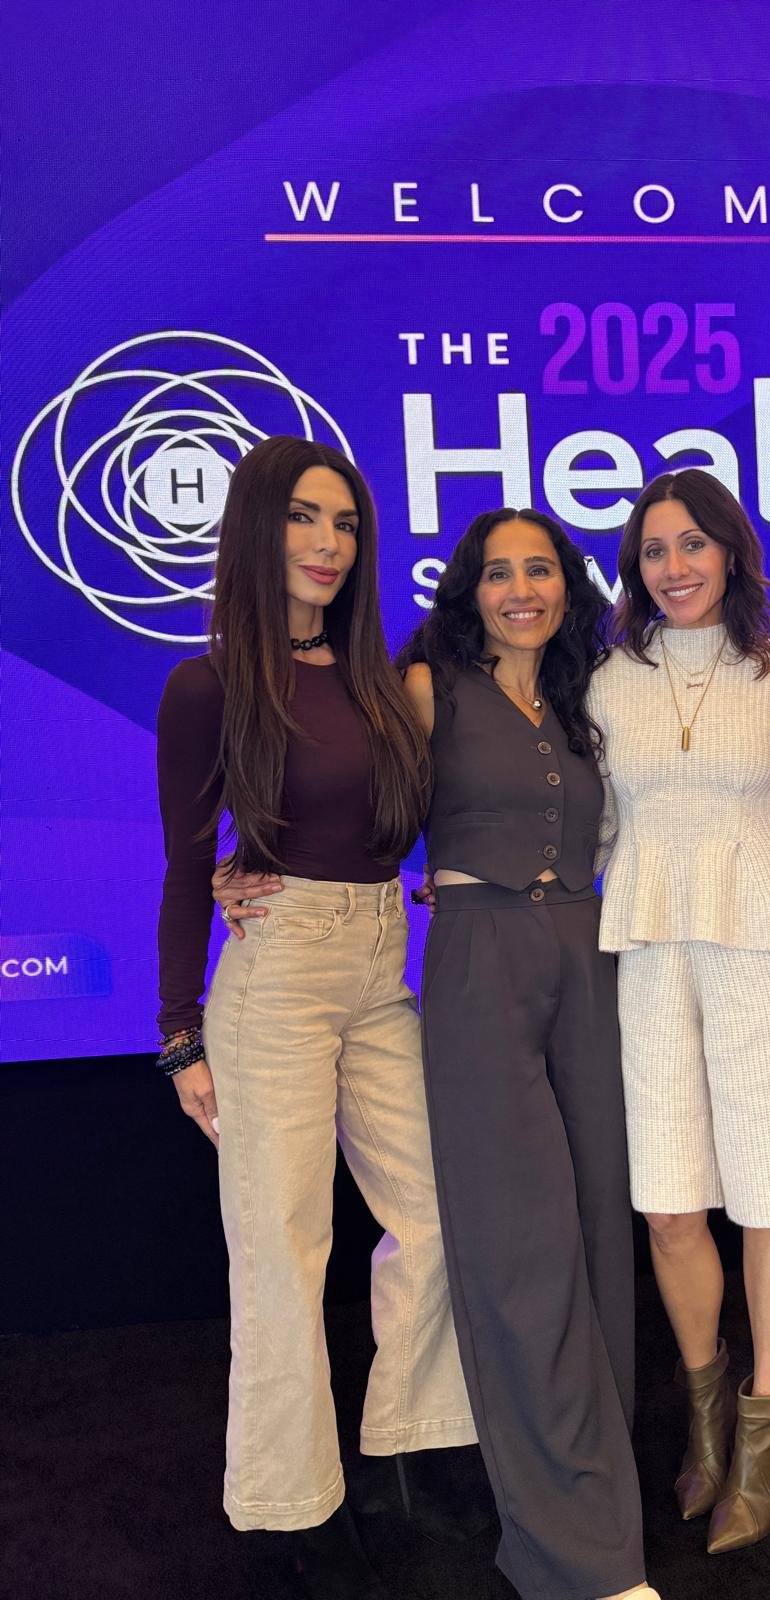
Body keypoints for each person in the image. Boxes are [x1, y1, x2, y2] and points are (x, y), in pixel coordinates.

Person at [217, 508, 660, 1600]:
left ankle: (600, 1483)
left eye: (542, 570)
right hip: (476, 962)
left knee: (603, 1223)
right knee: (520, 1243)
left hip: (587, 961)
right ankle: (574, 1551)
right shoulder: (424, 684)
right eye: (500, 572)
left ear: (568, 585)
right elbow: (352, 810)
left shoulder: (586, 692)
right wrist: (245, 862)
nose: (523, 589)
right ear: (470, 587)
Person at [156, 435, 475, 1598]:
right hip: (275, 977)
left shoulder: (380, 680)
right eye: (303, 518)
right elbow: (187, 865)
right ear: (255, 528)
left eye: (344, 523)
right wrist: (180, 1030)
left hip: (382, 960)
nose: (328, 543)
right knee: (283, 1250)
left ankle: (406, 1441)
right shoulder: (208, 685)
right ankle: (290, 1509)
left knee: (440, 1214)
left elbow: (411, 823)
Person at [588, 469, 770, 1556]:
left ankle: (764, 1425)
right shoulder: (605, 679)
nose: (676, 566)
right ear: (635, 570)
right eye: (655, 550)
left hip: (766, 950)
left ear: (732, 554)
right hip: (649, 953)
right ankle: (703, 1410)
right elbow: (590, 825)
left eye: (695, 544)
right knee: (668, 1205)